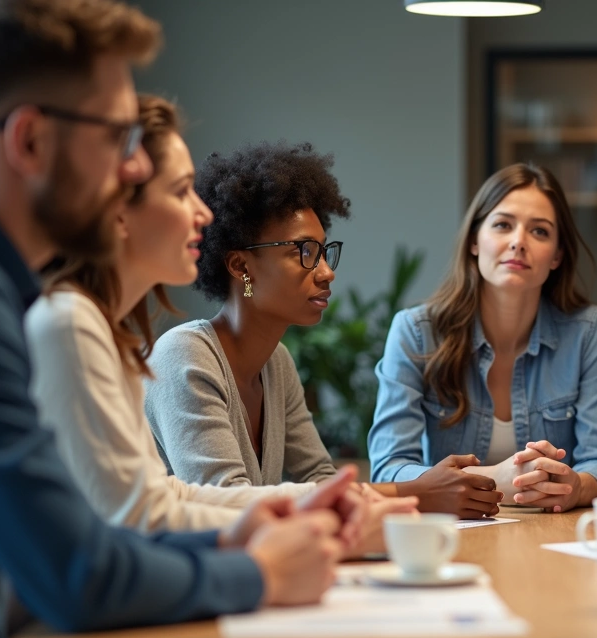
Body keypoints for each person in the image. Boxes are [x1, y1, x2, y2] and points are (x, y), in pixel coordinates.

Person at [0, 1, 342, 636]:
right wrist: (257, 573)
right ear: (30, 140)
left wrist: (243, 540)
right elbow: (77, 574)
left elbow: (81, 541)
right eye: (117, 138)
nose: (132, 168)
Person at [26, 94, 414, 549]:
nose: (203, 213)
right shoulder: (77, 326)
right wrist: (277, 558)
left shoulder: (110, 335)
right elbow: (141, 516)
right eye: (179, 191)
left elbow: (165, 496)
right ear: (118, 208)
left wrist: (326, 508)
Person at [368, 163, 597, 515]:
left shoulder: (589, 332)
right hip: (448, 533)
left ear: (557, 256)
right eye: (503, 225)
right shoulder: (416, 331)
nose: (519, 242)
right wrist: (496, 478)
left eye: (539, 231)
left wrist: (574, 486)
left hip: (554, 532)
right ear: (474, 240)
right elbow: (390, 468)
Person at [145, 140, 348, 489]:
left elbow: (322, 480)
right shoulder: (184, 356)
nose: (326, 272)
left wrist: (417, 494)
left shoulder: (276, 363)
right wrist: (413, 492)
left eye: (324, 251)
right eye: (305, 251)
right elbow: (227, 502)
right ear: (241, 266)